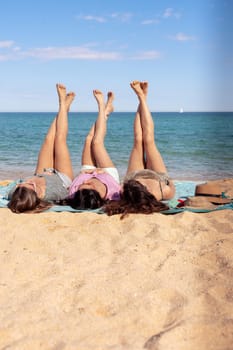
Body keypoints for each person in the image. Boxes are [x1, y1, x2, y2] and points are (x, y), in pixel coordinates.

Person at [104, 80, 175, 218]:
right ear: (148, 191)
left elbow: (121, 188)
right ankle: (143, 97)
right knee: (148, 139)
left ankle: (141, 97)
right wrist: (167, 180)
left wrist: (129, 182)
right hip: (159, 177)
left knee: (138, 140)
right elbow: (171, 185)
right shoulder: (164, 192)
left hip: (134, 175)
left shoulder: (127, 193)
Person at [8, 83, 75, 213]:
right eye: (28, 184)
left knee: (48, 139)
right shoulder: (52, 194)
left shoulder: (14, 194)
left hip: (42, 172)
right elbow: (68, 193)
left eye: (20, 184)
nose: (23, 182)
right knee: (59, 140)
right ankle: (63, 103)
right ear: (36, 191)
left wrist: (28, 182)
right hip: (61, 177)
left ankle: (63, 108)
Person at [65, 89, 121, 210]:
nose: (85, 183)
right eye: (89, 184)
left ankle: (106, 111)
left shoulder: (75, 193)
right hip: (107, 174)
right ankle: (102, 106)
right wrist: (100, 173)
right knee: (97, 142)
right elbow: (118, 186)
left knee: (89, 139)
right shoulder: (112, 194)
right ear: (96, 192)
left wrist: (84, 176)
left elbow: (77, 181)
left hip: (87, 172)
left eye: (82, 185)